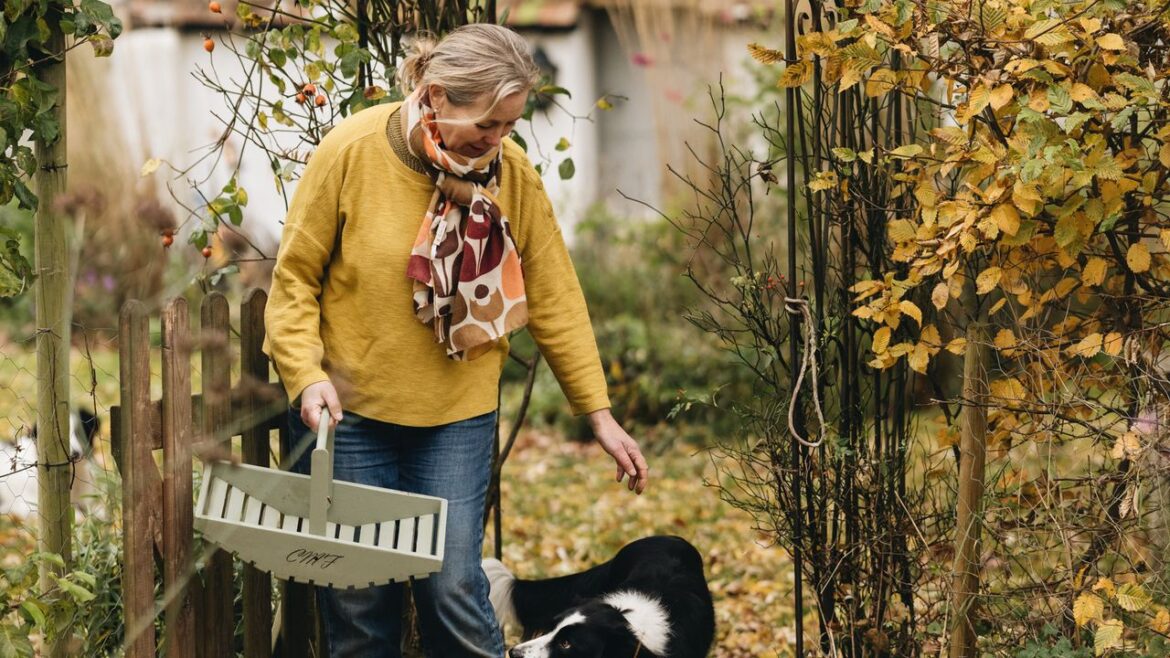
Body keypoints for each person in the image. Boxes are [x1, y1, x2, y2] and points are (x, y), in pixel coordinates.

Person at [263, 22, 650, 658]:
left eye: (509, 126)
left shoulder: (510, 174)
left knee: (451, 592)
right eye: (487, 125)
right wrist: (306, 375)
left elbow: (555, 296)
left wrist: (599, 416)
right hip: (352, 417)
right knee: (361, 609)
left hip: (456, 421)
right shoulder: (351, 152)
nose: (498, 141)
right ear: (437, 96)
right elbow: (294, 282)